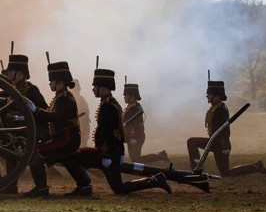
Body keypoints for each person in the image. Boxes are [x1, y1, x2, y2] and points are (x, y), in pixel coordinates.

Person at [68, 66, 171, 195]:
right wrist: (120, 153)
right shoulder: (112, 103)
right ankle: (155, 180)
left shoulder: (107, 107)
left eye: (95, 86)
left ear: (103, 88)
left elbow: (109, 134)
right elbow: (120, 132)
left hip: (107, 154)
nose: (93, 89)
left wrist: (107, 156)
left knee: (75, 157)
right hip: (111, 153)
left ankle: (84, 185)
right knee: (118, 188)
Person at [23, 61, 92, 197]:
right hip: (65, 137)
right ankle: (85, 185)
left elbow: (55, 117)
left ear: (59, 82)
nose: (50, 84)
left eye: (51, 82)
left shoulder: (65, 97)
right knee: (67, 159)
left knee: (35, 152)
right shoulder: (60, 97)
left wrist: (35, 110)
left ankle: (41, 188)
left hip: (66, 138)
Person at [186, 80, 266, 177]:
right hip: (215, 142)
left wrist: (223, 143)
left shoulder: (221, 109)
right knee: (225, 173)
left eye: (209, 94)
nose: (207, 96)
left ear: (216, 96)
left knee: (191, 142)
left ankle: (196, 169)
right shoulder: (215, 108)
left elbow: (224, 130)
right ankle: (256, 166)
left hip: (220, 144)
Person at [0, 53, 47, 194]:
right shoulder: (11, 90)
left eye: (11, 71)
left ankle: (42, 187)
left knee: (32, 155)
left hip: (29, 131)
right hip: (15, 132)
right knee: (10, 155)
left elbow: (41, 109)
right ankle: (11, 185)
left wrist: (22, 117)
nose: (8, 73)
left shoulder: (31, 89)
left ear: (19, 73)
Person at [122, 82, 170, 165]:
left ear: (132, 96)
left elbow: (138, 126)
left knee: (136, 159)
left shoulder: (136, 108)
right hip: (130, 137)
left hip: (136, 137)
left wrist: (134, 138)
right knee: (135, 159)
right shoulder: (130, 107)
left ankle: (160, 156)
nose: (124, 97)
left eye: (126, 95)